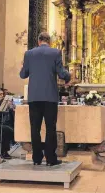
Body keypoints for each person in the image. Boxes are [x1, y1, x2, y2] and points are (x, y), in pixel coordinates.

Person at [20, 32, 71, 166]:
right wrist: (68, 76)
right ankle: (50, 159)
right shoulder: (55, 52)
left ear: (38, 41)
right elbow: (61, 73)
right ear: (49, 41)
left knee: (34, 128)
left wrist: (25, 65)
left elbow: (23, 74)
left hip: (34, 97)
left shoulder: (29, 54)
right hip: (50, 96)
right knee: (50, 128)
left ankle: (36, 158)